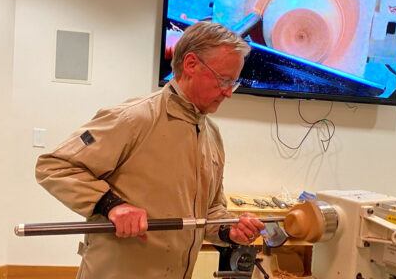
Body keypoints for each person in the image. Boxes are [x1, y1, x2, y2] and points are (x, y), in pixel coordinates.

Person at [36, 21, 265, 279]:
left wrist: (228, 229)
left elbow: (210, 210)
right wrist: (112, 205)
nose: (228, 93)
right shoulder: (134, 118)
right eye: (223, 80)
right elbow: (54, 166)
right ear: (190, 64)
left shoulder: (212, 135)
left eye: (233, 83)